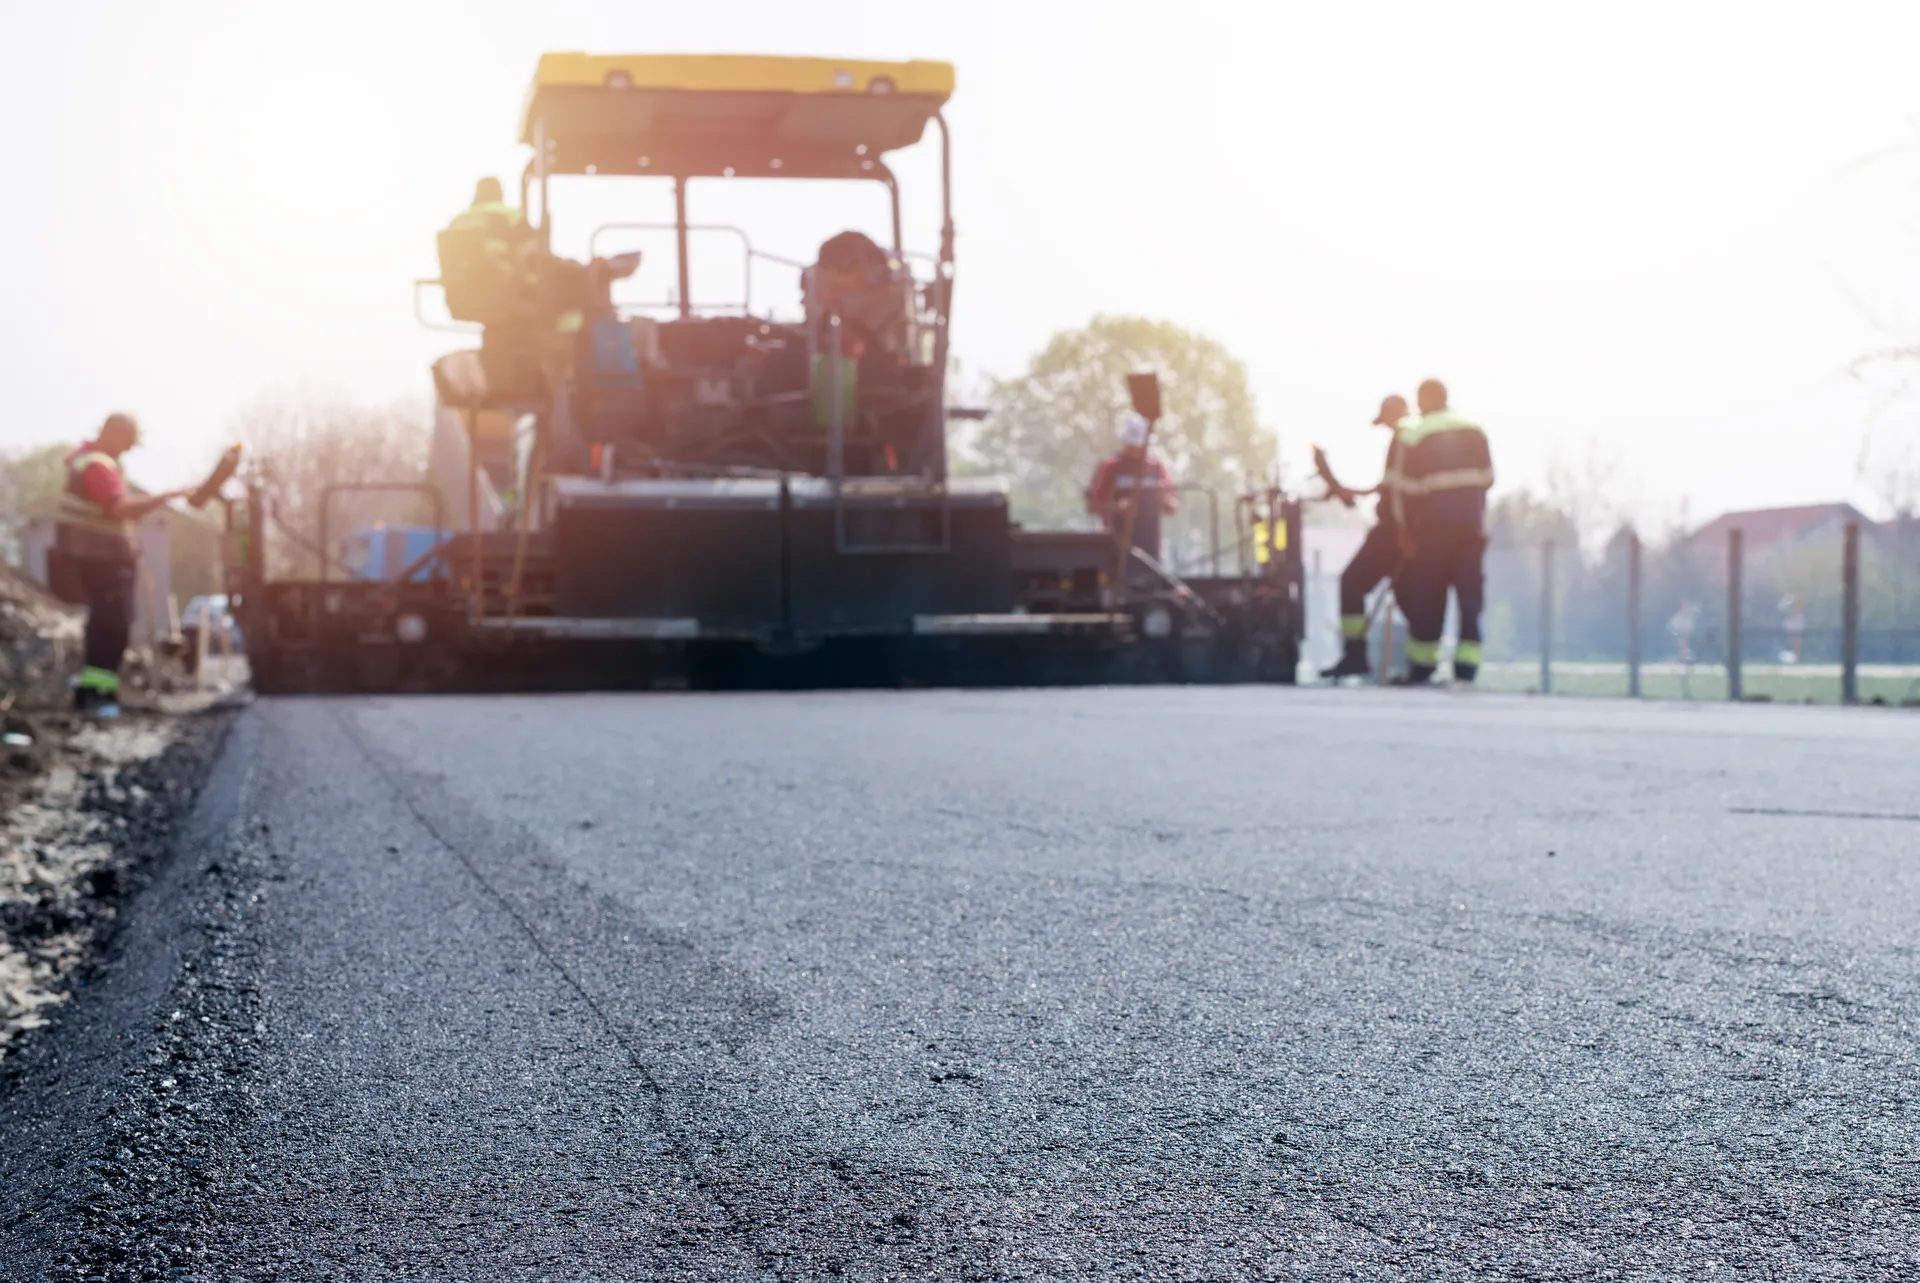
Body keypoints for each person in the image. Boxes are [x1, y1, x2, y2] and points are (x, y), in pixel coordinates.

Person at [55, 414, 187, 714]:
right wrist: (164, 497)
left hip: (97, 559)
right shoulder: (98, 465)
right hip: (104, 560)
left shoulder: (85, 459)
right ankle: (100, 695)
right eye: (127, 443)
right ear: (113, 434)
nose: (127, 450)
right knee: (112, 625)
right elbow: (119, 508)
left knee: (104, 623)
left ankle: (96, 691)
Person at [1389, 378, 1494, 685]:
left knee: (1429, 598)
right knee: (1470, 598)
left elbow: (1403, 490)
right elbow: (1487, 478)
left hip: (1432, 530)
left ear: (1422, 400)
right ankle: (1467, 667)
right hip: (1471, 529)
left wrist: (1405, 530)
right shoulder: (1475, 429)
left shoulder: (1413, 433)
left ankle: (1423, 666)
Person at [1318, 393, 1412, 679]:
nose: (1385, 426)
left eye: (1387, 420)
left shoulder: (1405, 438)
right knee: (1409, 595)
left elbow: (1398, 490)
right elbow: (1388, 486)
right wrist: (1353, 492)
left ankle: (1355, 655)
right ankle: (1419, 667)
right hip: (1403, 529)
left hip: (1394, 531)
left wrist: (1403, 530)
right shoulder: (1406, 440)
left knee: (1352, 583)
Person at [1086, 413, 1178, 561]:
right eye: (1132, 445)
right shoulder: (1110, 468)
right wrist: (1117, 508)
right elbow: (1093, 505)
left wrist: (1163, 497)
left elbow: (1171, 507)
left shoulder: (1156, 468)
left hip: (1151, 550)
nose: (1136, 450)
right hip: (1115, 547)